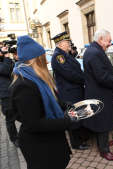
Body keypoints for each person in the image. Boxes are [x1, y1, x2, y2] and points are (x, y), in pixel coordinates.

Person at [10, 35, 77, 169]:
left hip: (49, 140)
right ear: (35, 60)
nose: (46, 62)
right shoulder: (24, 85)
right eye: (43, 58)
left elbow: (50, 99)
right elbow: (33, 124)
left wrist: (65, 104)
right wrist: (67, 121)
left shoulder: (36, 78)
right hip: (40, 147)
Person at [82, 29, 113, 161]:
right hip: (100, 94)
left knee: (103, 120)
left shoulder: (94, 50)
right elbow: (102, 77)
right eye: (108, 41)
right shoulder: (95, 53)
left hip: (99, 92)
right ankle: (104, 150)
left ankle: (103, 143)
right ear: (101, 39)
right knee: (103, 121)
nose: (110, 43)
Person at [51, 31, 89, 150]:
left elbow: (74, 67)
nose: (69, 44)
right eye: (67, 42)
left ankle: (82, 138)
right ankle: (76, 143)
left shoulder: (65, 54)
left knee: (79, 114)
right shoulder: (59, 57)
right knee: (73, 117)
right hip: (69, 93)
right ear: (60, 44)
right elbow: (70, 74)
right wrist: (85, 80)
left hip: (74, 90)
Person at [0, 46, 19, 147]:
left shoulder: (7, 60)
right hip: (6, 95)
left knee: (21, 113)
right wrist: (7, 57)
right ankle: (14, 138)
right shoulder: (5, 61)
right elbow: (5, 71)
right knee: (10, 118)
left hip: (15, 91)